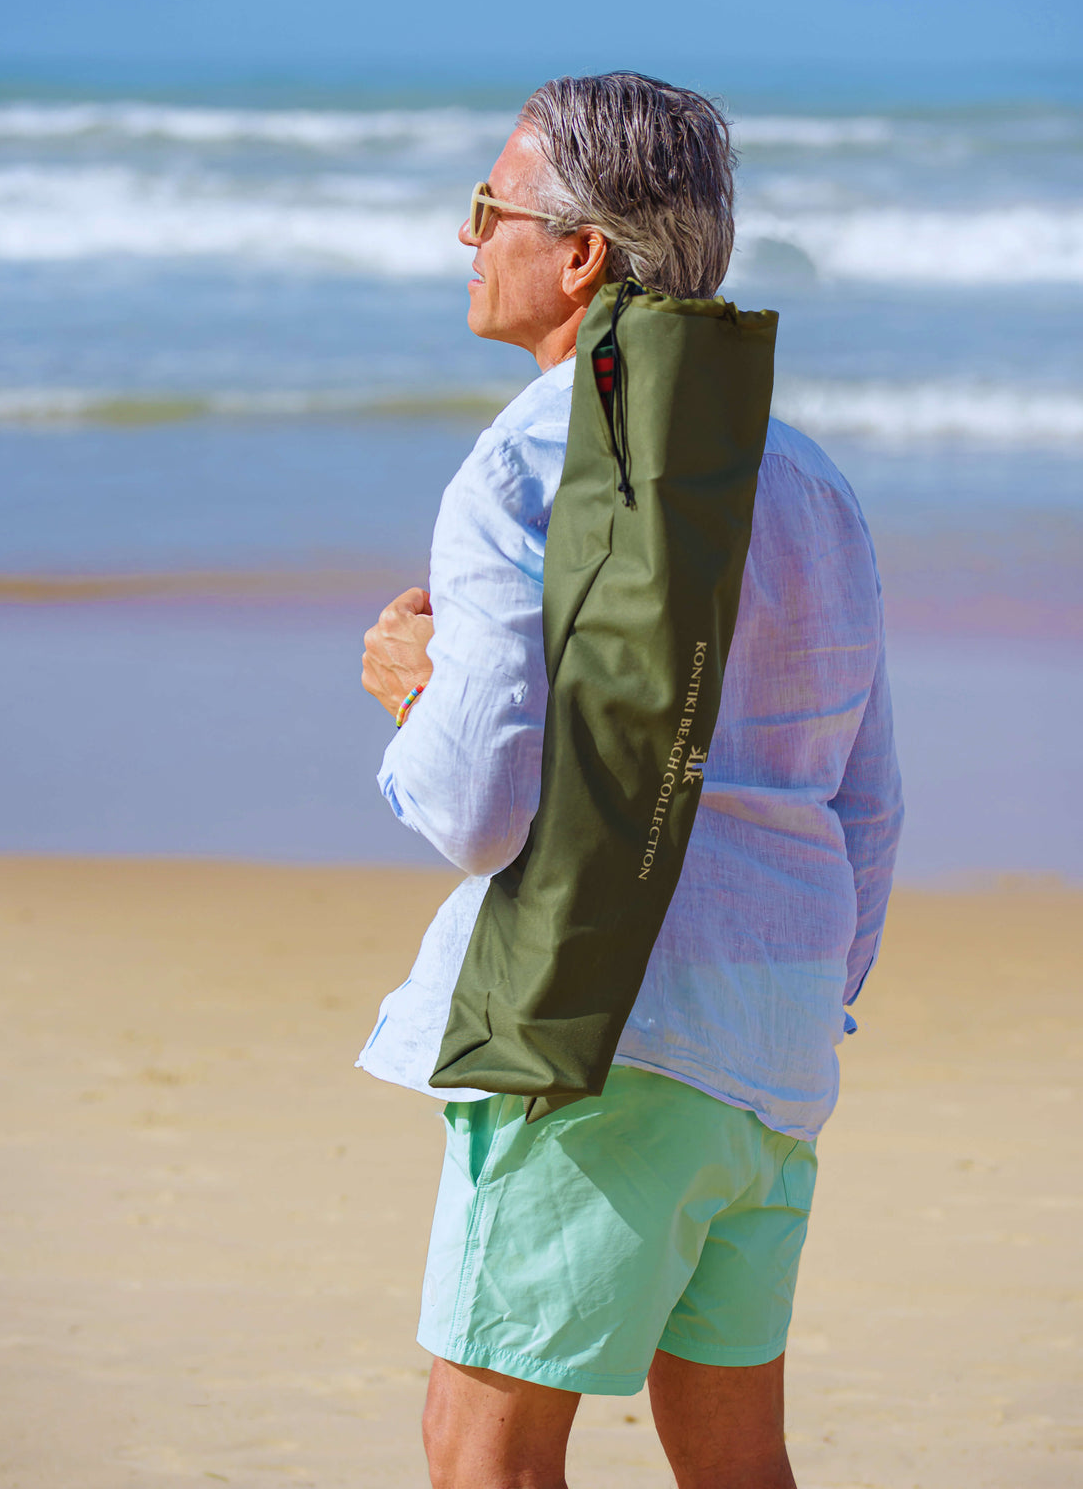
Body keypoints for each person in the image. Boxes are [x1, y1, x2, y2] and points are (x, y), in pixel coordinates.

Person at [359, 72, 903, 1489]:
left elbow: (482, 800)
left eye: (489, 209)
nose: (467, 238)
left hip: (602, 1026)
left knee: (487, 1455)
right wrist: (804, 991)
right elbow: (865, 796)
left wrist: (414, 693)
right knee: (736, 1463)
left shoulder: (525, 463)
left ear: (579, 253)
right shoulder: (807, 478)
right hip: (777, 1040)